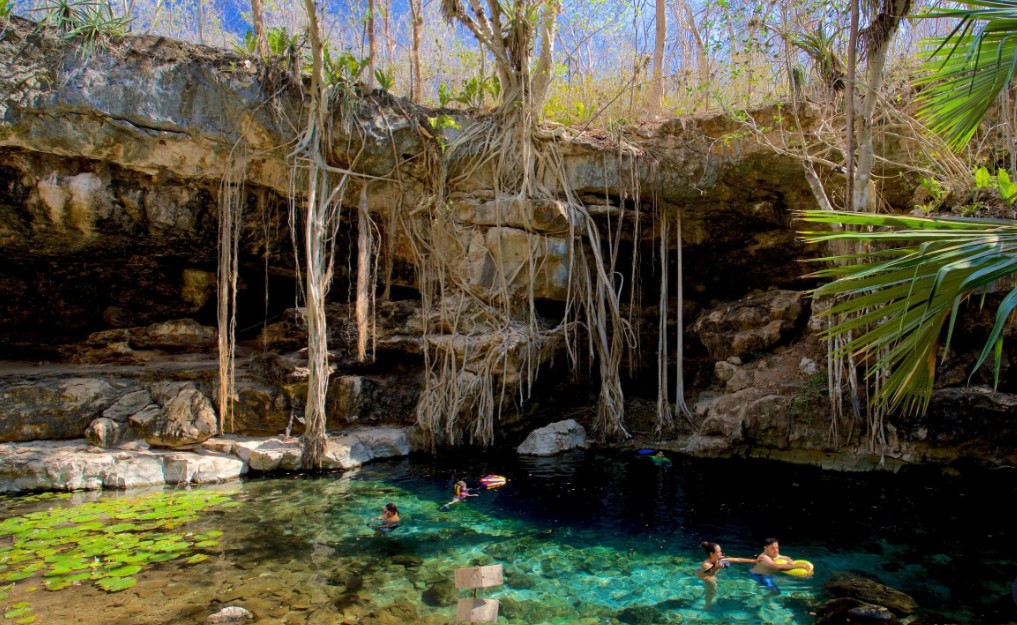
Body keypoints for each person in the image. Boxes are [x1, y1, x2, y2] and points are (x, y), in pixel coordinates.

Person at [696, 541, 754, 609]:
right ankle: (707, 606)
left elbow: (738, 559)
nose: (721, 553)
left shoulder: (719, 559)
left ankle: (703, 596)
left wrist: (753, 561)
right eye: (718, 552)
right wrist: (716, 568)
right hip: (709, 580)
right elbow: (710, 575)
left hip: (710, 577)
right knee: (711, 591)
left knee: (708, 590)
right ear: (712, 554)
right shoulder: (706, 564)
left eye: (720, 551)